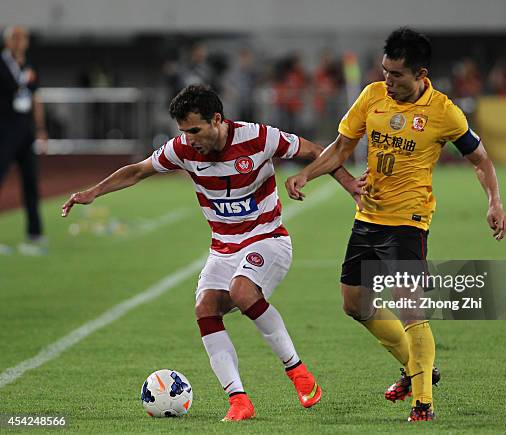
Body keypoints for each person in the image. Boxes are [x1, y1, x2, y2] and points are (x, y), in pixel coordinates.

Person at [61, 85, 364, 421]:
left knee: (241, 290)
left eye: (195, 130)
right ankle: (239, 400)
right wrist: (94, 192)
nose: (189, 139)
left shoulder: (259, 137)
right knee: (204, 307)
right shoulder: (182, 150)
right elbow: (138, 170)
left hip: (268, 238)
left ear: (217, 120)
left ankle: (298, 373)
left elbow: (316, 150)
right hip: (222, 248)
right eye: (183, 132)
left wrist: (348, 183)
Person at [285, 27, 506, 422]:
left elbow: (481, 160)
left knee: (410, 308)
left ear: (421, 73)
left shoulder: (444, 112)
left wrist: (494, 201)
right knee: (353, 304)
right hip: (367, 217)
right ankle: (416, 368)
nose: (388, 80)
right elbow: (340, 147)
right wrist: (308, 175)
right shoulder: (371, 96)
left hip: (409, 221)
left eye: (397, 74)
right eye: (385, 71)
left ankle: (423, 402)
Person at [0, 26, 48, 255]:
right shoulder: (2, 65)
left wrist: (40, 128)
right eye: (16, 38)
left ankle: (35, 233)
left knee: (31, 180)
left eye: (24, 38)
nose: (21, 42)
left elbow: (36, 97)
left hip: (25, 130)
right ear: (7, 41)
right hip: (4, 129)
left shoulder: (28, 65)